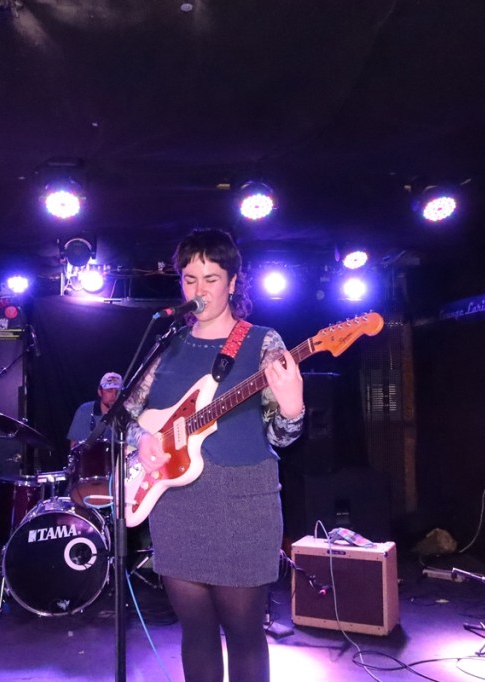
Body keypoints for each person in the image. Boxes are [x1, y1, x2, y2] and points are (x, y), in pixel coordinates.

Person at [126, 228, 304, 682]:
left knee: (244, 635)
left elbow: (282, 437)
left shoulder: (262, 342)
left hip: (243, 502)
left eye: (211, 278)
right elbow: (126, 416)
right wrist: (140, 439)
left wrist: (292, 407)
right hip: (175, 505)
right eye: (190, 279)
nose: (199, 290)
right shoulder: (167, 345)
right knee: (196, 633)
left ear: (233, 282)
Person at [66, 371, 123, 449]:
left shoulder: (126, 414)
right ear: (100, 392)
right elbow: (74, 446)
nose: (114, 395)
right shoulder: (85, 410)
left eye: (117, 391)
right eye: (109, 390)